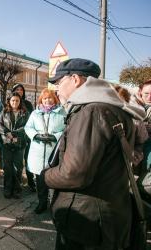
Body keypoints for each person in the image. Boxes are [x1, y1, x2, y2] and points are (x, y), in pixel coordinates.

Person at [41, 58, 145, 249]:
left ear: (75, 79)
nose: (56, 88)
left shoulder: (92, 111)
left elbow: (74, 174)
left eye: (59, 82)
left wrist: (46, 176)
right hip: (107, 215)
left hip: (88, 222)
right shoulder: (115, 108)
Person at [24, 88, 65, 214]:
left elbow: (67, 128)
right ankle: (42, 203)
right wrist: (36, 135)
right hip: (37, 152)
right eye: (45, 98)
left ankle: (54, 205)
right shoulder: (35, 113)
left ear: (55, 99)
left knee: (53, 181)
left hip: (54, 152)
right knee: (40, 181)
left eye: (50, 97)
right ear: (41, 99)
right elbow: (28, 127)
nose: (47, 100)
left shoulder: (62, 112)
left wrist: (55, 136)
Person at [0, 92, 30, 199]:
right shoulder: (5, 111)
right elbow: (0, 124)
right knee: (7, 167)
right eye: (12, 100)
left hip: (20, 144)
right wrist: (6, 133)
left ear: (20, 101)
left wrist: (14, 133)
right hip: (6, 142)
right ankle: (7, 188)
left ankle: (17, 189)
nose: (14, 102)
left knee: (18, 167)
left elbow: (27, 126)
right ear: (9, 101)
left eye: (17, 100)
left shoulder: (25, 113)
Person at [12, 83, 36, 192]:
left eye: (21, 89)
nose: (19, 91)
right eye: (17, 89)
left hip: (27, 137)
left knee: (28, 160)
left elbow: (32, 119)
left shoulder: (28, 104)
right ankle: (16, 183)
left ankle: (31, 182)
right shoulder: (10, 103)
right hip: (14, 137)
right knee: (16, 162)